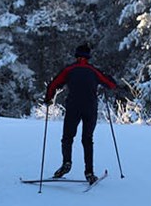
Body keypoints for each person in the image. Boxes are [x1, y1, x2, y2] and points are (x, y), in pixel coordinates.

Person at [45, 43, 118, 184]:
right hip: (90, 108)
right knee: (87, 139)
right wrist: (108, 78)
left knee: (67, 137)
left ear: (76, 55)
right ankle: (89, 172)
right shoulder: (93, 71)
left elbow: (53, 84)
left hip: (73, 107)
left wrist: (48, 99)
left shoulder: (69, 70)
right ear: (88, 56)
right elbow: (111, 85)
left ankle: (66, 162)